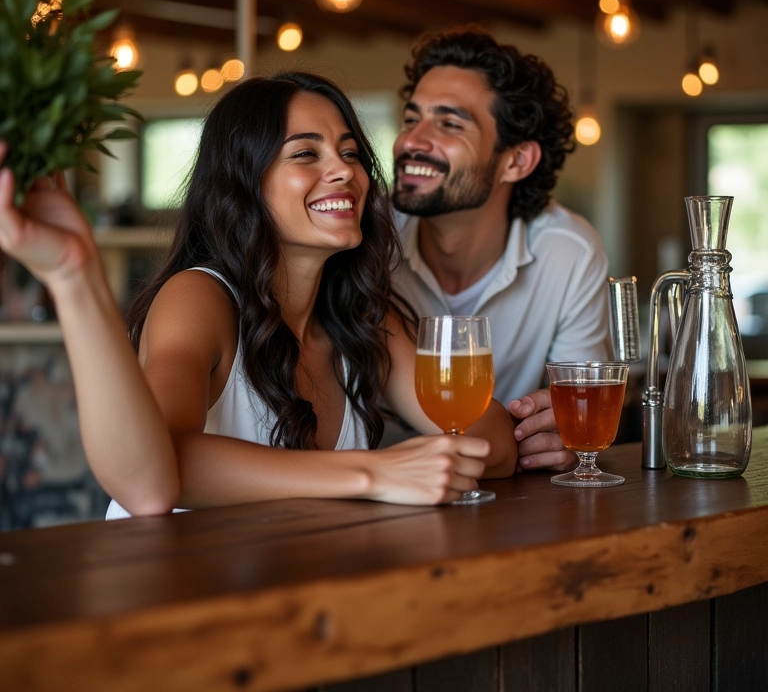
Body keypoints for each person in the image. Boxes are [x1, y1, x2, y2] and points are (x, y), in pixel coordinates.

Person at [0, 72, 519, 518]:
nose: (345, 170)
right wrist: (376, 472)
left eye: (349, 153)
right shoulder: (197, 298)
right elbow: (163, 462)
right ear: (245, 183)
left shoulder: (360, 315)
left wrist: (429, 464)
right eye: (305, 154)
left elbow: (494, 441)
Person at [389, 26, 612, 471]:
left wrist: (562, 434)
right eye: (412, 120)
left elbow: (580, 411)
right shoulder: (364, 238)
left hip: (506, 491)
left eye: (450, 124)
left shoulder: (569, 252)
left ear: (516, 160)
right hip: (367, 491)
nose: (411, 141)